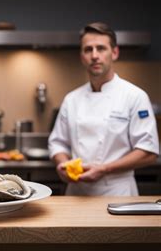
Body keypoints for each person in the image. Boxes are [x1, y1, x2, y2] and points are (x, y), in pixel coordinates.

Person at [48, 22, 159, 196]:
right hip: (76, 193)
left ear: (114, 53)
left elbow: (148, 151)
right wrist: (63, 165)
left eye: (101, 48)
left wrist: (104, 169)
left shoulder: (134, 96)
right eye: (88, 49)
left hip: (118, 192)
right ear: (81, 56)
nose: (94, 55)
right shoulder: (71, 99)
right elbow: (57, 143)